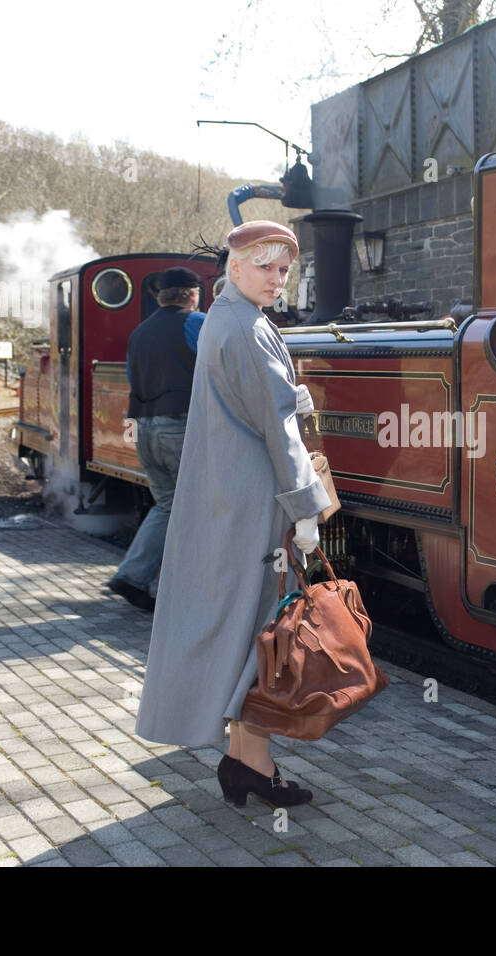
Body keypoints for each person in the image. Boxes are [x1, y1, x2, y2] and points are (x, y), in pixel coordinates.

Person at [134, 221, 329, 808]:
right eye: (265, 267)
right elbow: (279, 432)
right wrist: (306, 511)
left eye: (284, 270)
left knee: (253, 636)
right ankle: (253, 766)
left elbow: (257, 408)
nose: (277, 279)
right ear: (236, 265)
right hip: (257, 507)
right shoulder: (247, 327)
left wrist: (286, 399)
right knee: (265, 636)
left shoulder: (223, 317)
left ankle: (249, 766)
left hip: (233, 499)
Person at [107, 267, 207, 612]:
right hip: (178, 427)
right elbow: (219, 368)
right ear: (193, 294)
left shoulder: (138, 334)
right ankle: (150, 579)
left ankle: (142, 578)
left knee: (167, 506)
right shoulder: (196, 323)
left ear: (160, 297)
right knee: (192, 507)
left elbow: (134, 379)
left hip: (145, 429)